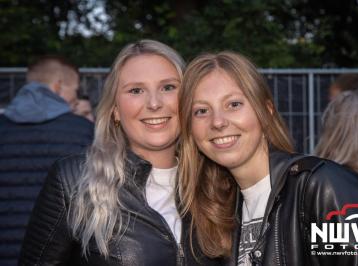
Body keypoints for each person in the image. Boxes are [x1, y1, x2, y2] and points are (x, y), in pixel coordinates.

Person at [18, 40, 223, 266]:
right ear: (115, 110)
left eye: (168, 87)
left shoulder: (217, 181)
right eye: (136, 90)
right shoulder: (74, 181)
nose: (154, 103)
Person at [178, 52, 358, 266]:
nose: (218, 122)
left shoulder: (323, 188)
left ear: (266, 111)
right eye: (201, 111)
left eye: (234, 104)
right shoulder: (221, 211)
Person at [0, 56, 94, 266]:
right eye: (75, 90)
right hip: (55, 256)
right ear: (59, 86)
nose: (75, 98)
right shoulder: (82, 131)